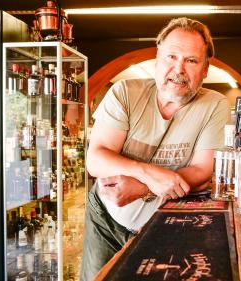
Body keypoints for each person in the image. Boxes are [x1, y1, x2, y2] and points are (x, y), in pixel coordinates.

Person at [79, 17, 230, 281]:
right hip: (105, 218)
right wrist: (148, 172)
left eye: (191, 61)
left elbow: (202, 170)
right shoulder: (125, 92)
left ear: (205, 70)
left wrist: (143, 188)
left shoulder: (215, 105)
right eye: (171, 56)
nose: (178, 68)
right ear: (157, 59)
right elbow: (97, 159)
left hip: (161, 224)